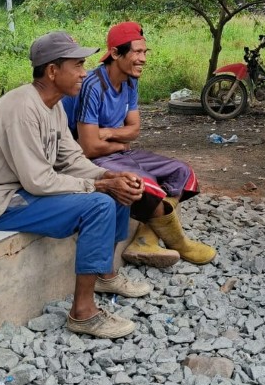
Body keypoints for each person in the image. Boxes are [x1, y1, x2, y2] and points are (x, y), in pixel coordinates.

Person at [0, 31, 153, 339]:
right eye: (77, 65)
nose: (84, 73)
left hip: (27, 189)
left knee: (117, 187)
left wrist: (108, 178)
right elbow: (38, 180)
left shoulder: (54, 106)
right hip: (1, 201)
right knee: (100, 203)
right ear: (52, 71)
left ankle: (105, 274)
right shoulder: (22, 109)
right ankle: (83, 314)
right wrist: (99, 188)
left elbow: (72, 160)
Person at [63, 21, 216, 267]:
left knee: (183, 173)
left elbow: (134, 129)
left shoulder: (131, 81)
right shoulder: (93, 86)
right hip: (92, 158)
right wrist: (120, 144)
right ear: (115, 53)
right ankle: (179, 243)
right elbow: (89, 147)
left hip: (115, 151)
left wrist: (111, 133)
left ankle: (145, 238)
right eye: (136, 52)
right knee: (145, 185)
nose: (143, 58)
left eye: (145, 52)